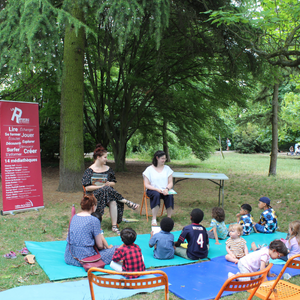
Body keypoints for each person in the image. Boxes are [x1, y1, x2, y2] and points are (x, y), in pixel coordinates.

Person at [82, 144, 139, 234]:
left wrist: (108, 183)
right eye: (105, 157)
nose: (106, 159)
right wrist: (101, 186)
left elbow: (113, 182)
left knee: (112, 200)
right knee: (105, 189)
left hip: (107, 194)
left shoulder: (108, 169)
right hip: (92, 195)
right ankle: (127, 202)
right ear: (98, 157)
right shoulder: (89, 170)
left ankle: (114, 226)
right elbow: (87, 187)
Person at [64, 194, 119, 267]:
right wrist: (105, 247)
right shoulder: (94, 220)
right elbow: (99, 245)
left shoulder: (74, 217)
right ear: (93, 206)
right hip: (86, 257)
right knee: (118, 248)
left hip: (70, 256)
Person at [143, 150, 174, 226]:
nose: (164, 160)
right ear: (157, 158)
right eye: (162, 158)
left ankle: (169, 218)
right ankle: (154, 219)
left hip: (164, 189)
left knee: (170, 195)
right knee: (156, 195)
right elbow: (146, 185)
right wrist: (156, 189)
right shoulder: (149, 169)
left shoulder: (167, 169)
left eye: (165, 158)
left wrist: (166, 189)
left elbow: (171, 183)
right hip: (153, 190)